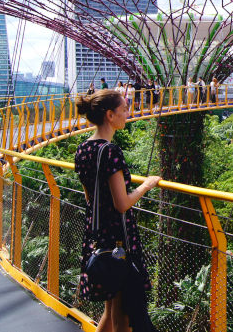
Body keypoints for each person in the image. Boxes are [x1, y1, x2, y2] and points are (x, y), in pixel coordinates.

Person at [75, 89, 161, 332]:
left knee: (111, 307)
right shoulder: (110, 151)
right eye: (124, 109)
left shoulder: (83, 149)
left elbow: (89, 197)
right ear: (110, 115)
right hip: (118, 238)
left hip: (97, 234)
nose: (128, 113)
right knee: (122, 312)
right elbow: (121, 203)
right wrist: (146, 184)